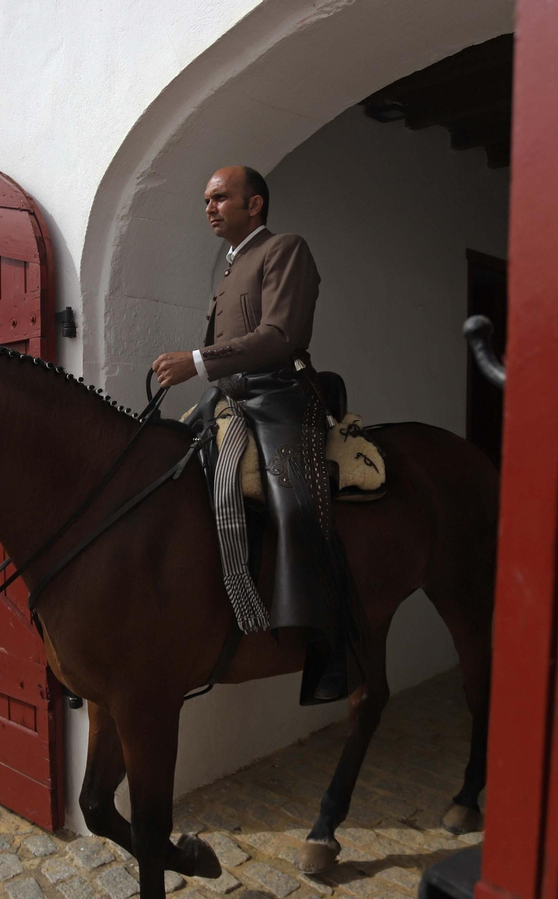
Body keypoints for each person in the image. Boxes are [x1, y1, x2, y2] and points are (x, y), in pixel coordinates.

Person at [151, 166, 352, 705]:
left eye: (220, 198)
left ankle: (333, 646)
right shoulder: (230, 268)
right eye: (206, 200)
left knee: (297, 508)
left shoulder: (286, 249)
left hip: (282, 398)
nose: (210, 208)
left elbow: (281, 335)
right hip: (231, 399)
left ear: (255, 204)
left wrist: (197, 360)